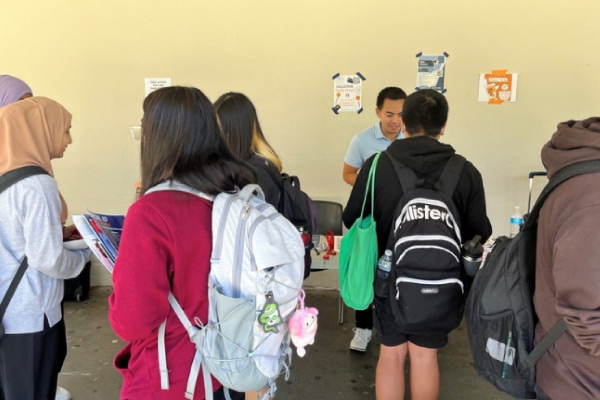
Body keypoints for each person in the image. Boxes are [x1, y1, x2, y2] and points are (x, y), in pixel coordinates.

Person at [342, 89, 492, 399]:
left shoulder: (375, 165)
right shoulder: (465, 171)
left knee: (392, 355)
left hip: (387, 280)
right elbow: (480, 232)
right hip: (443, 283)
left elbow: (351, 218)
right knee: (425, 357)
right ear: (444, 126)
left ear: (404, 124)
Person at [108, 86, 253, 400]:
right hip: (228, 363)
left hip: (173, 375)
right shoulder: (232, 193)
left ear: (157, 136)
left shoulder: (150, 213)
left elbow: (133, 320)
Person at [0, 97, 90, 400]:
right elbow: (46, 258)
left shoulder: (6, 176)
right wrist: (84, 255)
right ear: (40, 130)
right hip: (30, 313)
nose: (69, 139)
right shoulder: (37, 185)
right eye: (65, 130)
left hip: (6, 311)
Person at [533, 117, 600, 400]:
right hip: (579, 381)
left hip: (562, 366)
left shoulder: (579, 173)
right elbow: (587, 316)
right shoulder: (593, 198)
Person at [342, 86, 407, 352]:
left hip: (403, 220)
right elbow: (348, 173)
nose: (395, 121)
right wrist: (373, 188)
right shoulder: (362, 140)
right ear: (378, 112)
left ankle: (397, 328)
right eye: (389, 113)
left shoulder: (410, 140)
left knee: (399, 277)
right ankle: (363, 329)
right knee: (367, 270)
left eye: (401, 114)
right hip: (372, 218)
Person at [214, 92, 282, 207]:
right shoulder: (242, 166)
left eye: (219, 129)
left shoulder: (257, 174)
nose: (214, 136)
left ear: (236, 132)